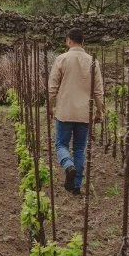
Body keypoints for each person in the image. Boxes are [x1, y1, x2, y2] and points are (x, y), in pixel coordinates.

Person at [48, 28, 104, 195]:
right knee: (79, 149)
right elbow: (98, 91)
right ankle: (77, 186)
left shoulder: (61, 59)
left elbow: (52, 87)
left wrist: (50, 106)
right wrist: (100, 112)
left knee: (61, 145)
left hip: (64, 111)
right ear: (83, 42)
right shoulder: (93, 62)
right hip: (84, 113)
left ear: (69, 41)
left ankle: (68, 165)